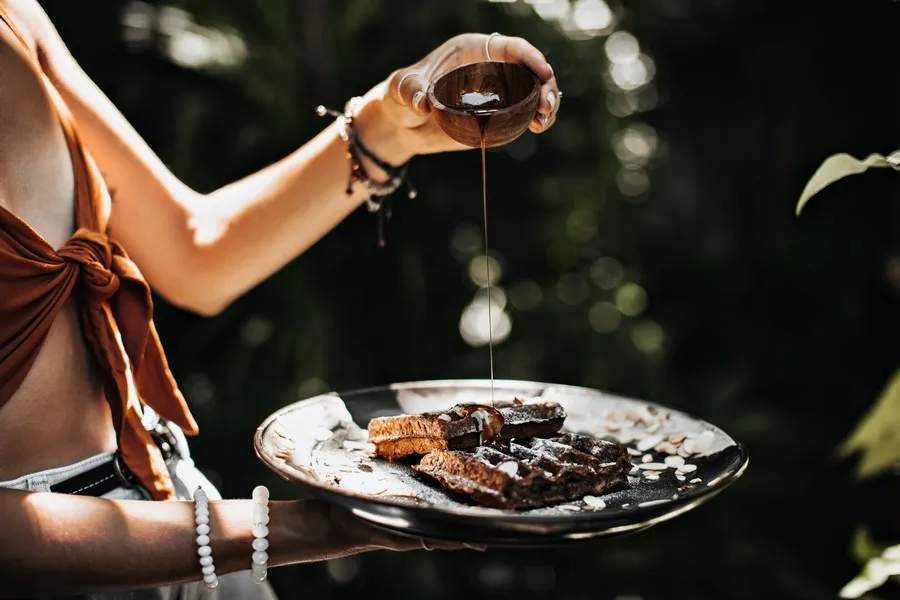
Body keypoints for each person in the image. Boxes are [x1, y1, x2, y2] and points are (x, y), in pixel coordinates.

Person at [0, 0, 561, 598]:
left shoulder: (17, 17)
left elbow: (196, 255)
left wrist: (387, 128)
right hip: (78, 570)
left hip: (182, 510)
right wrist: (316, 524)